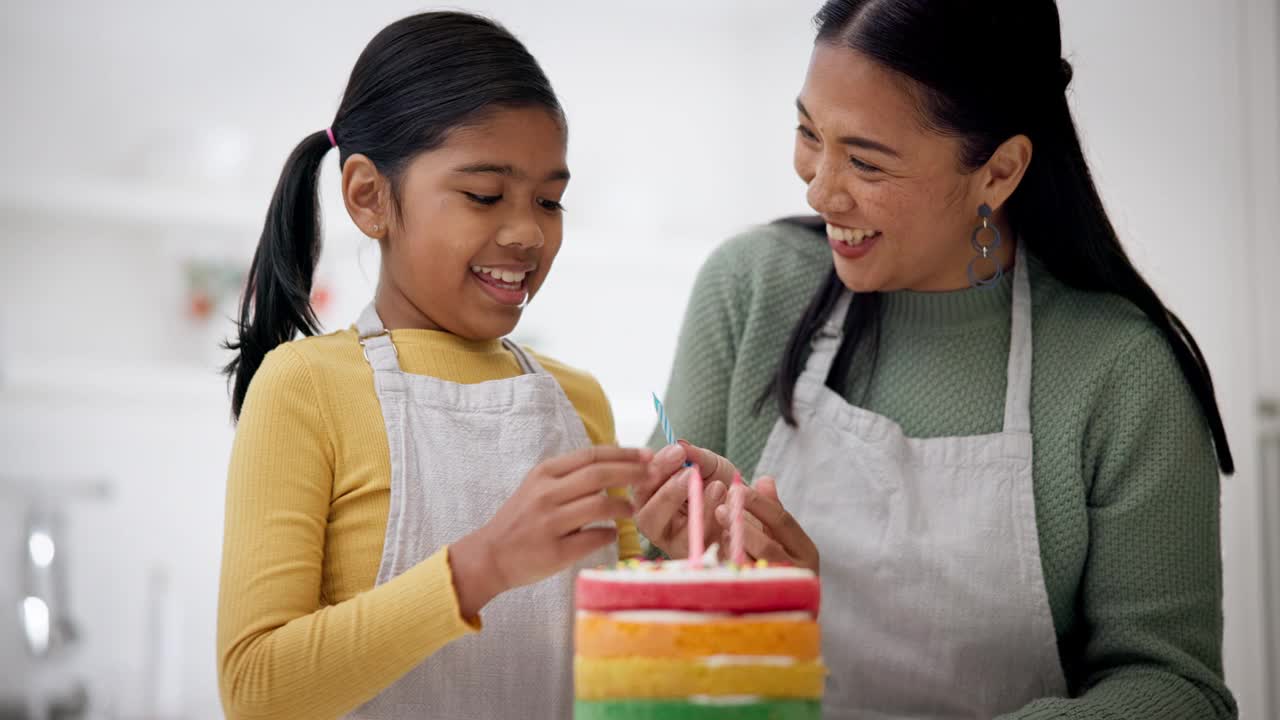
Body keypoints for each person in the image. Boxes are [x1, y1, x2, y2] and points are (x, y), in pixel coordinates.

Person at [636, 1, 1237, 717]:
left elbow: (1178, 690)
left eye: (864, 160)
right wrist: (695, 570)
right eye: (807, 133)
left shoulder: (1119, 371)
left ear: (998, 171)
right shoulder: (750, 289)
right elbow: (645, 605)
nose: (820, 188)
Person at [216, 12, 650, 719]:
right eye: (483, 195)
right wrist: (482, 568)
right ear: (369, 197)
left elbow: (629, 673)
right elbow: (256, 689)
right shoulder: (305, 389)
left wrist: (704, 564)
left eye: (550, 200)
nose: (528, 233)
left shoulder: (580, 403)